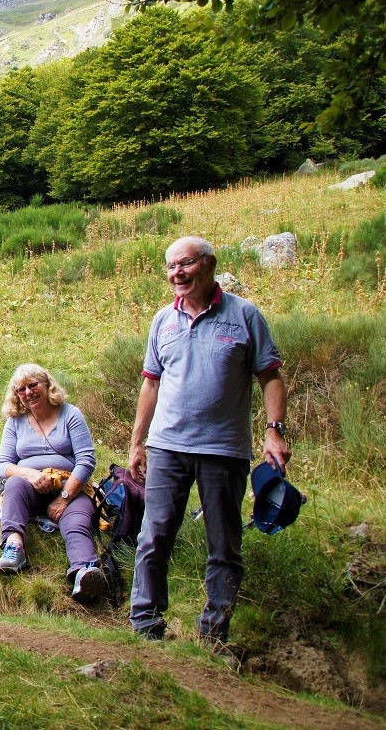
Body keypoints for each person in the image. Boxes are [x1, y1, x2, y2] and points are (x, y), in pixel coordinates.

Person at [128, 236, 290, 648]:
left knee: (223, 543)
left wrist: (275, 429)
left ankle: (214, 634)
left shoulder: (244, 315)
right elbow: (150, 384)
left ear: (209, 263)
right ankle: (145, 624)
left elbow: (270, 376)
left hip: (224, 449)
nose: (176, 274)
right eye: (169, 267)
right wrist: (137, 442)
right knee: (155, 534)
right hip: (167, 446)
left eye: (184, 264)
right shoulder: (163, 320)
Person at [0, 364, 104, 603]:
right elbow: (3, 465)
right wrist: (29, 474)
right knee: (14, 485)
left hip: (69, 486)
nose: (28, 392)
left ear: (47, 385)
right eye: (21, 389)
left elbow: (86, 460)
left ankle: (84, 572)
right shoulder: (15, 421)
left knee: (77, 521)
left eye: (33, 385)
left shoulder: (71, 414)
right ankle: (14, 547)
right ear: (16, 395)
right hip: (29, 487)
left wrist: (64, 498)